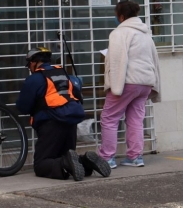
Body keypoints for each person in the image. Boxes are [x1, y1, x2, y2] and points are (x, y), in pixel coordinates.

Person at [16, 46, 111, 181]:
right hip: (70, 123)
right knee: (67, 157)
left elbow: (23, 107)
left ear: (34, 62)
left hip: (51, 124)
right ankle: (85, 161)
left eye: (29, 64)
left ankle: (66, 163)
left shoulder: (34, 79)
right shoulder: (64, 75)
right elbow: (78, 96)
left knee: (41, 164)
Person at [99, 0, 161, 169]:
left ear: (121, 16)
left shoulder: (120, 33)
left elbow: (118, 60)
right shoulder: (145, 33)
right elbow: (154, 59)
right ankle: (135, 157)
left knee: (109, 118)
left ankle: (107, 158)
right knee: (135, 120)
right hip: (145, 82)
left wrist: (114, 86)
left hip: (126, 82)